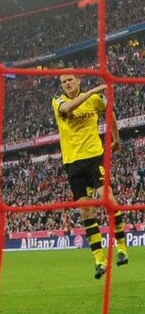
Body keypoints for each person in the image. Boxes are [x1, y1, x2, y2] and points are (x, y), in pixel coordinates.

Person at [52, 74, 129, 279]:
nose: (67, 83)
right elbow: (67, 109)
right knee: (86, 211)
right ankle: (99, 260)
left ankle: (121, 248)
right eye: (63, 82)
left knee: (109, 200)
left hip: (95, 158)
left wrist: (116, 138)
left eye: (70, 80)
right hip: (73, 164)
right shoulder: (58, 101)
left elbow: (109, 111)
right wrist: (92, 92)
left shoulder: (96, 100)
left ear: (78, 81)